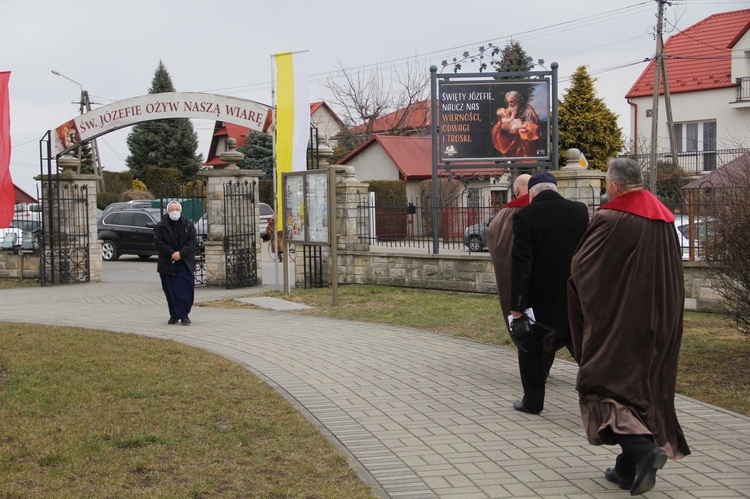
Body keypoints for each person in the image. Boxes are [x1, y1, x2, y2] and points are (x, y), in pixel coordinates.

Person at [567, 158, 690, 495]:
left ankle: (643, 451)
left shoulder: (610, 218)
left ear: (613, 186)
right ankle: (625, 470)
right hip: (660, 319)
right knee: (641, 390)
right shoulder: (663, 218)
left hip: (621, 320)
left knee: (602, 384)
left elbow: (582, 270)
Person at [509, 172, 589, 415]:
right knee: (585, 352)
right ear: (555, 188)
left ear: (531, 193)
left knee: (530, 349)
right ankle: (599, 399)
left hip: (540, 300)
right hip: (575, 296)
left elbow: (522, 263)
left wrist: (517, 305)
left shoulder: (525, 215)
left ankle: (533, 402)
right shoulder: (580, 211)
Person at [487, 173, 531, 333]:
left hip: (513, 281)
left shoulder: (503, 216)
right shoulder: (542, 211)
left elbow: (495, 243)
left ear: (517, 191)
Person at [153, 200, 198, 325]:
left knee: (185, 289)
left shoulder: (188, 224)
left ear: (180, 210)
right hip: (167, 263)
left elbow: (192, 242)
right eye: (172, 209)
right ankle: (173, 314)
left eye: (176, 209)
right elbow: (158, 242)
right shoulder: (161, 226)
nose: (174, 212)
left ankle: (184, 315)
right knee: (170, 290)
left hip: (184, 262)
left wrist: (181, 253)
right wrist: (172, 252)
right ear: (168, 211)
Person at [491, 90, 540, 158]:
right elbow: (498, 126)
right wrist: (502, 128)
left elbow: (533, 128)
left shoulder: (527, 111)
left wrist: (518, 130)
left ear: (518, 100)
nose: (510, 104)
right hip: (511, 142)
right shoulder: (507, 111)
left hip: (524, 144)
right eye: (508, 102)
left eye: (511, 101)